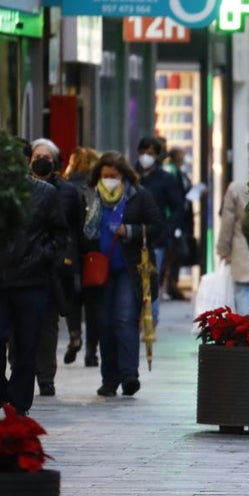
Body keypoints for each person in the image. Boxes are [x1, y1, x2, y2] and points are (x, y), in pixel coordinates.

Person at [0, 169, 69, 417]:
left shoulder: (45, 193)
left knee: (27, 345)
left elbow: (60, 234)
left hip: (32, 280)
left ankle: (19, 403)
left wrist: (41, 257)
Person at [82, 151, 163, 398]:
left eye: (114, 176)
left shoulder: (138, 196)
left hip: (129, 268)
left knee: (124, 319)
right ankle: (109, 379)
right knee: (104, 324)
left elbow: (157, 225)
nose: (109, 180)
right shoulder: (90, 197)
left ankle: (129, 374)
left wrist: (129, 230)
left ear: (123, 176)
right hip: (100, 270)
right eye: (105, 176)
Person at [28, 138, 84, 397]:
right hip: (21, 267)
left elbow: (70, 230)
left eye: (47, 157)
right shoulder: (19, 189)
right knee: (21, 327)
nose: (42, 161)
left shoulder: (67, 192)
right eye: (37, 156)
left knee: (48, 324)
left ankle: (45, 378)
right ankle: (22, 371)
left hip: (51, 268)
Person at [216, 140, 249, 314]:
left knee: (243, 292)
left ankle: (248, 333)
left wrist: (224, 250)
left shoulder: (236, 188)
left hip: (242, 251)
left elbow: (227, 223)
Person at [134, 137, 184, 322]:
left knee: (152, 279)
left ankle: (150, 319)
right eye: (143, 152)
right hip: (132, 236)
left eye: (150, 153)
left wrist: (167, 230)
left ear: (157, 156)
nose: (145, 157)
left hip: (156, 239)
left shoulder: (166, 179)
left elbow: (179, 207)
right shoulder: (131, 176)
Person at [63, 146, 102, 366]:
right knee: (93, 304)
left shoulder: (66, 188)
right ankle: (91, 351)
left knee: (73, 299)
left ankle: (75, 334)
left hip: (70, 252)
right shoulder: (95, 190)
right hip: (92, 252)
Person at [162, 146, 196, 301]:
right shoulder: (171, 172)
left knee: (179, 252)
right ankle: (170, 285)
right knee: (177, 252)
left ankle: (171, 284)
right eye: (182, 154)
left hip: (181, 219)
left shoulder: (179, 172)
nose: (183, 158)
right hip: (174, 221)